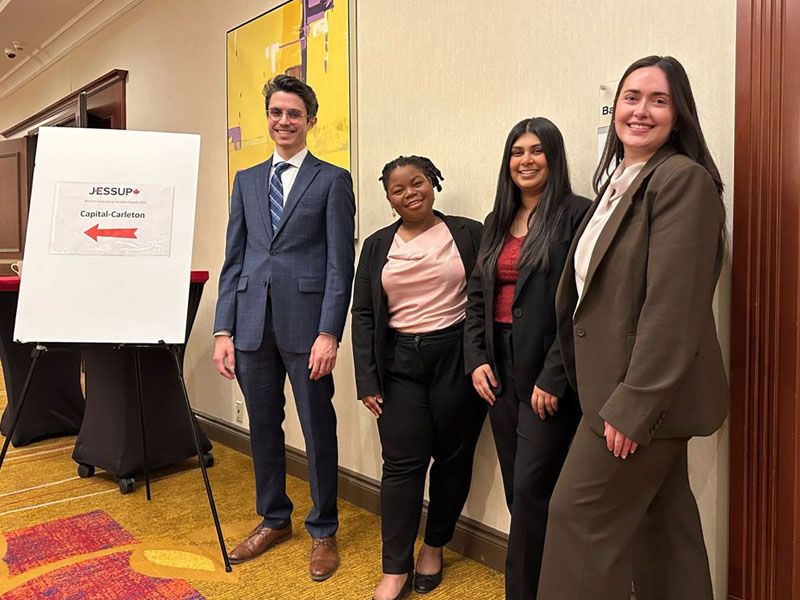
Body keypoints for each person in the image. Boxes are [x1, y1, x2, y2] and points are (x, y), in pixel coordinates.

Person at [537, 56, 728, 599]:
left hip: (640, 399)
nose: (640, 110)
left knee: (576, 519)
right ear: (614, 106)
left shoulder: (682, 180)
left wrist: (634, 404)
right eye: (631, 97)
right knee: (665, 530)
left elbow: (674, 307)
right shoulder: (619, 183)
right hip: (611, 390)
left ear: (679, 114)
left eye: (659, 100)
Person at [212, 74, 355, 581]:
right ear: (267, 117)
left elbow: (341, 264)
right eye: (276, 112)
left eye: (294, 114)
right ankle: (275, 519)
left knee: (318, 427)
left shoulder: (332, 179)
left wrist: (329, 333)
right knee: (263, 428)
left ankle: (323, 529)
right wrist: (222, 330)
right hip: (251, 325)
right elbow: (234, 260)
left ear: (310, 121)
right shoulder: (247, 181)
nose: (284, 121)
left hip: (306, 327)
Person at [463, 117, 590, 600]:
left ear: (554, 159)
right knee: (521, 489)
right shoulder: (499, 218)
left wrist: (554, 375)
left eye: (537, 151)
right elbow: (476, 296)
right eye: (517, 151)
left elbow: (583, 303)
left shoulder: (577, 215)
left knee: (533, 490)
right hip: (498, 368)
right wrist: (476, 358)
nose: (526, 160)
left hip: (546, 369)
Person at [351, 156, 487, 600]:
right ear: (388, 198)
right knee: (402, 466)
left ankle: (434, 546)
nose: (410, 193)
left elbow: (484, 299)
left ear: (434, 183)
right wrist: (367, 380)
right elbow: (366, 315)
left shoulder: (469, 233)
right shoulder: (376, 246)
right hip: (399, 365)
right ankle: (395, 567)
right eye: (398, 189)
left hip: (457, 359)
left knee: (453, 458)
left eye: (418, 182)